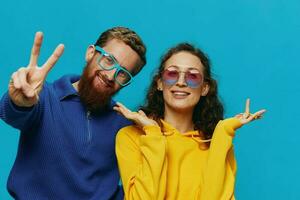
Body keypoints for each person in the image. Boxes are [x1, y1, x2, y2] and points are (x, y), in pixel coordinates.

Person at [0, 27, 146, 200]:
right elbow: (11, 114)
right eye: (108, 60)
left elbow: (139, 186)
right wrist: (19, 102)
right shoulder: (44, 97)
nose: (110, 75)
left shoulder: (123, 124)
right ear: (91, 53)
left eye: (123, 74)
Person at [114, 43, 266, 200]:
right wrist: (153, 134)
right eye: (172, 74)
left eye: (192, 76)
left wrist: (223, 132)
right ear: (160, 83)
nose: (181, 82)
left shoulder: (217, 144)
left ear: (205, 88)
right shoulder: (131, 137)